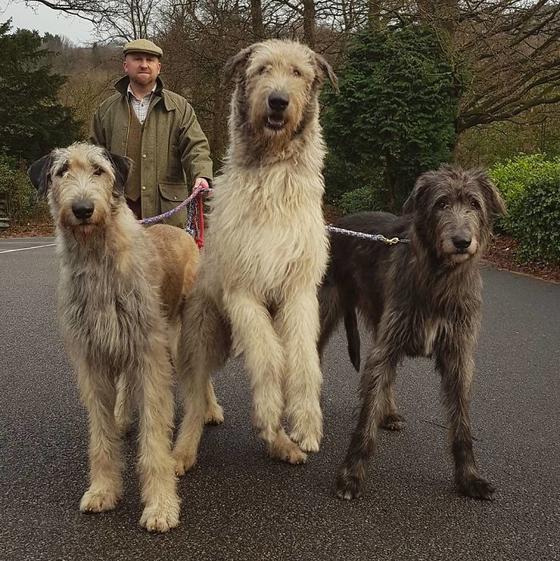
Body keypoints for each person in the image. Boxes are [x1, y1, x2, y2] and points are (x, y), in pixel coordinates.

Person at [90, 39, 213, 227]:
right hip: (118, 212)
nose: (144, 64)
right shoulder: (105, 110)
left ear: (159, 67)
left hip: (167, 212)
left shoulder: (180, 107)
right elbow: (93, 157)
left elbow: (196, 147)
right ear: (126, 65)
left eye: (150, 60)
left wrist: (202, 175)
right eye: (137, 59)